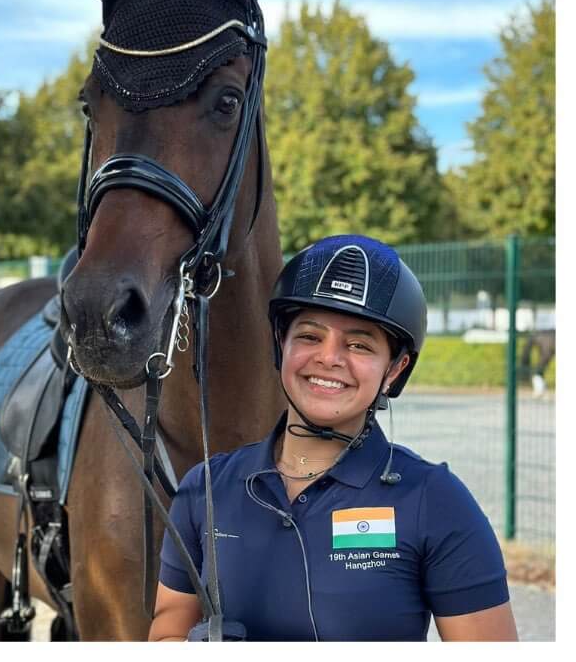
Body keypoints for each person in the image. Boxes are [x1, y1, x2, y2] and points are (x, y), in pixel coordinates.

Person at [150, 235, 516, 641]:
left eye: (359, 344)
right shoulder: (204, 489)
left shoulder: (435, 500)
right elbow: (166, 633)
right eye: (309, 336)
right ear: (280, 344)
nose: (329, 358)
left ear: (394, 370)